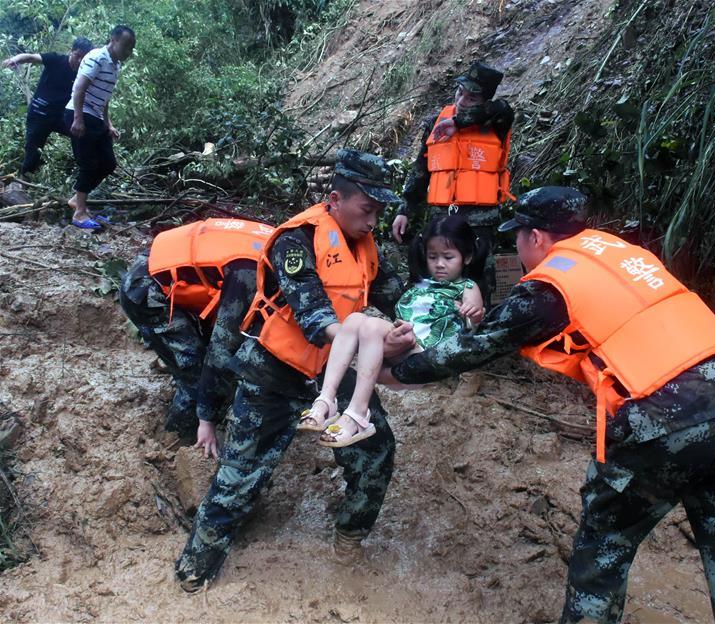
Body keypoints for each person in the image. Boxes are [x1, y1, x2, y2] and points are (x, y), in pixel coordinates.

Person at [383, 187, 715, 623]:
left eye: (517, 237)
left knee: (605, 549)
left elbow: (472, 348)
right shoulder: (617, 252)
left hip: (664, 419)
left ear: (535, 237)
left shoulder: (553, 282)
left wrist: (396, 373)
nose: (517, 248)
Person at [175, 149, 416, 591]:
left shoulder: (364, 244)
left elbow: (397, 295)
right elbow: (314, 316)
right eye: (367, 210)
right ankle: (195, 569)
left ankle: (349, 540)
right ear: (335, 199)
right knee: (240, 478)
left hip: (333, 373)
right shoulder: (297, 240)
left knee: (376, 453)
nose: (374, 222)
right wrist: (377, 340)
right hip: (275, 374)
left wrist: (447, 302)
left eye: (380, 212)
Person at [300, 214, 487, 448]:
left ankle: (358, 413)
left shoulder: (467, 287)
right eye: (433, 257)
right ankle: (327, 400)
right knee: (354, 320)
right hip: (403, 342)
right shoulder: (421, 284)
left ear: (467, 257)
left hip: (426, 353)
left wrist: (474, 313)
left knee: (368, 324)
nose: (440, 264)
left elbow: (476, 321)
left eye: (448, 257)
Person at [118, 218, 273, 450]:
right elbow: (221, 347)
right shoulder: (250, 272)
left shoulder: (278, 242)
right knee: (195, 372)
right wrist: (206, 418)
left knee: (214, 366)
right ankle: (181, 440)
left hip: (162, 262)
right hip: (146, 288)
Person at [391, 61, 515, 307]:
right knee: (435, 280)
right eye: (460, 92)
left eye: (472, 97)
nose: (462, 101)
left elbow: (503, 108)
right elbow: (420, 168)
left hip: (480, 222)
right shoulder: (436, 122)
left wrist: (459, 123)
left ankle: (476, 336)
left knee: (479, 286)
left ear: (485, 100)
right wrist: (405, 209)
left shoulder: (496, 120)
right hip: (441, 218)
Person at [64, 24, 135, 230]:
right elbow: (79, 88)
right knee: (89, 164)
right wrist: (78, 119)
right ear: (113, 39)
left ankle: (77, 199)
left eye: (131, 47)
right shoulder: (97, 57)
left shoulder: (115, 66)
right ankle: (79, 213)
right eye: (126, 45)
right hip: (80, 114)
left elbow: (104, 99)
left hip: (95, 116)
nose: (128, 51)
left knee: (108, 163)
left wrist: (108, 125)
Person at [1, 37, 93, 177]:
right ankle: (22, 184)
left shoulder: (84, 72)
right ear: (71, 51)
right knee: (33, 151)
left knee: (80, 133)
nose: (80, 60)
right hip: (39, 113)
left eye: (84, 57)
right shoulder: (56, 59)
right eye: (77, 55)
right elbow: (31, 57)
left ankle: (84, 173)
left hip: (61, 117)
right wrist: (15, 60)